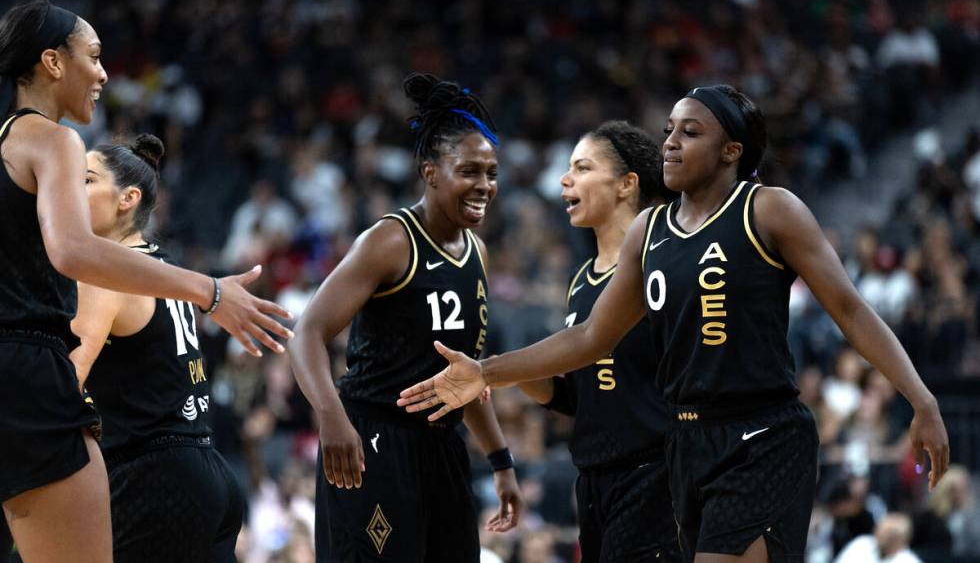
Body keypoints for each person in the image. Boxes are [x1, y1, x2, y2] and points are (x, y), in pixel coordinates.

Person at [399, 84, 950, 563]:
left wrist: (921, 400)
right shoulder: (650, 230)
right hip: (686, 445)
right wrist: (487, 372)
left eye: (690, 132)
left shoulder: (768, 210)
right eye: (668, 130)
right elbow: (591, 337)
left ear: (731, 150)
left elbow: (850, 311)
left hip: (761, 431)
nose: (670, 142)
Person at [0, 0, 290, 563]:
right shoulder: (53, 139)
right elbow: (75, 251)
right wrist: (209, 291)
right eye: (94, 56)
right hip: (36, 374)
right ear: (53, 63)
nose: (105, 73)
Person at [289, 72, 522, 562]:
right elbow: (307, 332)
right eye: (470, 171)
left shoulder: (477, 250)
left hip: (443, 448)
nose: (484, 185)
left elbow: (468, 373)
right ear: (431, 171)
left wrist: (501, 461)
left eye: (491, 173)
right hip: (373, 439)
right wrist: (331, 418)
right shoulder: (390, 240)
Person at [66, 134, 244, 562]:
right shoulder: (166, 271)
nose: (71, 190)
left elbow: (62, 383)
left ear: (127, 199)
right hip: (208, 470)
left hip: (154, 479)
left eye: (86, 180)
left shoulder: (105, 276)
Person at [515, 120, 679, 561]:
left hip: (654, 473)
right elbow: (579, 398)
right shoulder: (580, 282)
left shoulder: (662, 262)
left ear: (627, 184)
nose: (565, 180)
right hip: (592, 478)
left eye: (583, 168)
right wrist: (515, 374)